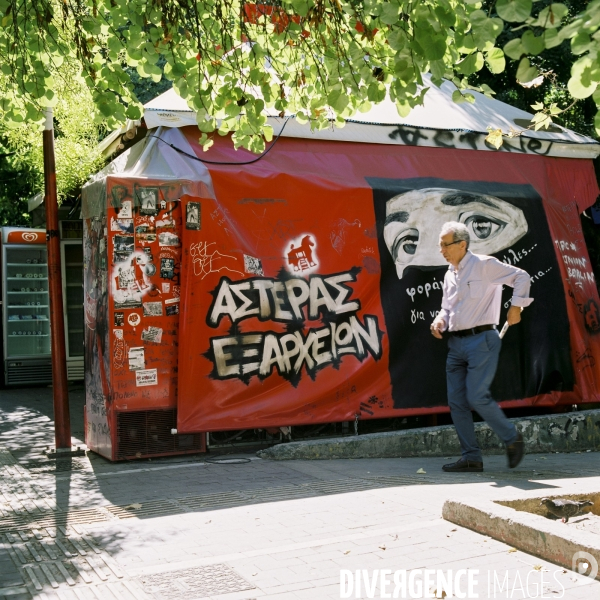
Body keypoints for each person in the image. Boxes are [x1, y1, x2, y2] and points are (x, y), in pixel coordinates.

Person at [430, 221, 533, 472]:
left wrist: (516, 307)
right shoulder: (449, 274)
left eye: (445, 245)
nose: (441, 250)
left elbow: (521, 276)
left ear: (462, 244)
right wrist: (440, 319)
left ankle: (512, 438)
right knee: (456, 402)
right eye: (440, 245)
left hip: (482, 341)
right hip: (456, 344)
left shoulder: (484, 265)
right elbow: (447, 307)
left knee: (476, 395)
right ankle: (471, 457)